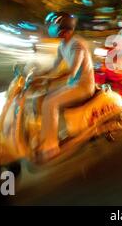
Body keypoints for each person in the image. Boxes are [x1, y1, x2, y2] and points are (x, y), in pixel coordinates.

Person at [36, 12, 95, 161]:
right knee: (43, 97)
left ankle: (50, 147)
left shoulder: (77, 44)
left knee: (50, 103)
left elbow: (72, 71)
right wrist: (38, 75)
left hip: (83, 86)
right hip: (73, 85)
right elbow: (55, 66)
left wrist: (50, 79)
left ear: (64, 27)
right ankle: (47, 133)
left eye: (54, 25)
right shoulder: (63, 45)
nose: (51, 28)